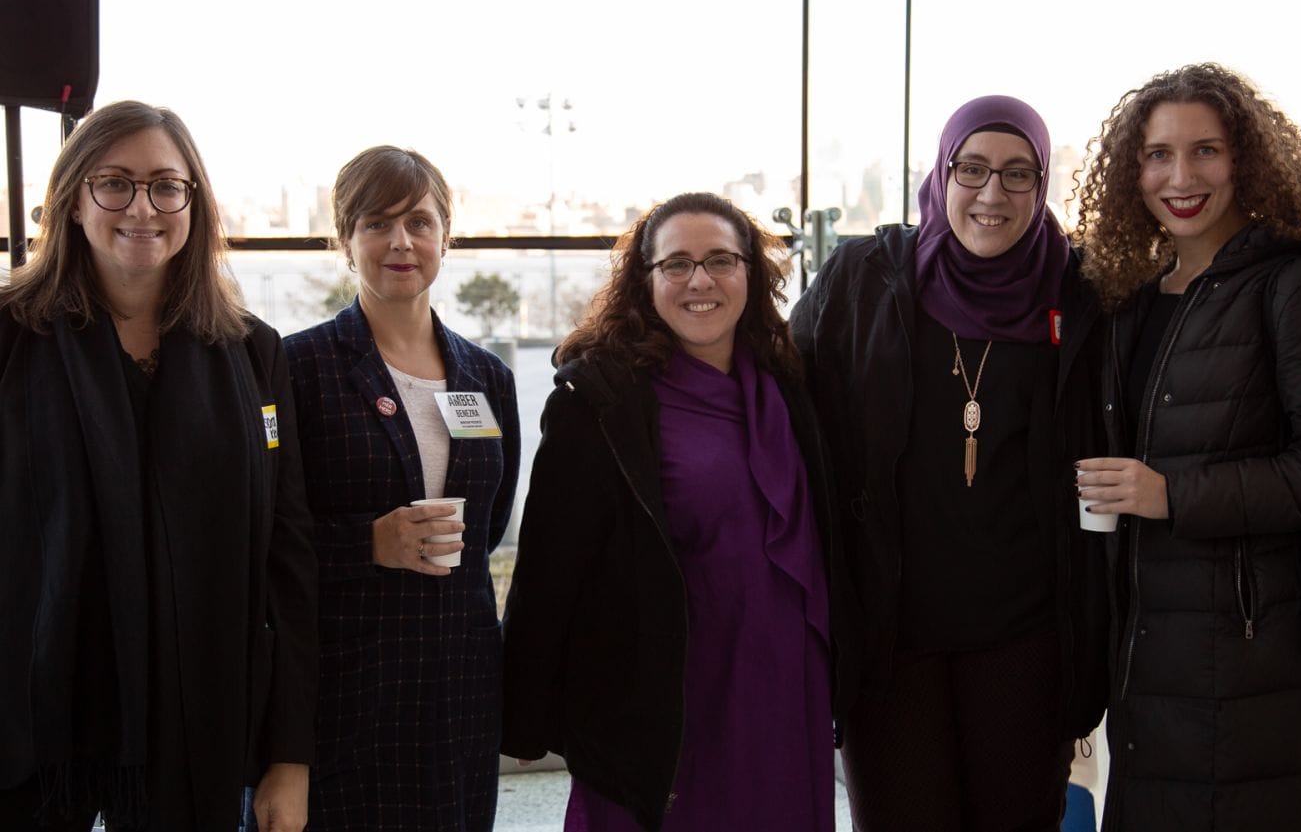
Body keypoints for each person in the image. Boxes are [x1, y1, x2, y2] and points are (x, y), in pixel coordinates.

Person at [790, 95, 1108, 831]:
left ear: (1041, 182)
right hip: (890, 644)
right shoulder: (864, 276)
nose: (991, 194)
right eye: (972, 169)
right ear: (941, 173)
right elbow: (774, 378)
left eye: (1016, 173)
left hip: (1026, 643)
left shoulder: (1082, 294)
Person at [0, 100, 318, 832]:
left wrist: (289, 756)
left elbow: (287, 560)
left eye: (166, 186)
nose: (142, 207)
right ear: (73, 200)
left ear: (193, 205)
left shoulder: (249, 352)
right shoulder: (11, 340)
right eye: (115, 182)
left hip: (197, 731)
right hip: (34, 735)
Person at [501, 191, 852, 832]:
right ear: (646, 280)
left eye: (721, 260)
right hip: (665, 698)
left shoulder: (789, 384)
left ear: (752, 272)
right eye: (676, 264)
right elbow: (550, 568)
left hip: (782, 689)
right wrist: (524, 714)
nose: (700, 281)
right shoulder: (601, 400)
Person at [1072, 62, 1301, 832]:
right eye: (1157, 154)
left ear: (1246, 159)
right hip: (1146, 655)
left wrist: (1172, 494)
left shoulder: (1295, 287)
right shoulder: (1130, 294)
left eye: (1205, 151)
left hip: (1254, 663)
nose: (1179, 176)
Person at [284, 145, 520, 831]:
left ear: (445, 235)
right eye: (375, 222)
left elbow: (490, 522)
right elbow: (266, 534)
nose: (400, 241)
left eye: (419, 221)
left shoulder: (486, 376)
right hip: (347, 682)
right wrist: (367, 543)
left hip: (459, 681)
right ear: (344, 238)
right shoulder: (297, 367)